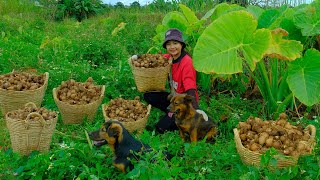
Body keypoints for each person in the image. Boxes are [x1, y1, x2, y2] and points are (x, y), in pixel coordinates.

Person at [143, 28, 202, 134]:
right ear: (166, 46)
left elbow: (190, 88)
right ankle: (171, 112)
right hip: (173, 98)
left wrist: (196, 110)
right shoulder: (169, 58)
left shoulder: (187, 62)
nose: (172, 47)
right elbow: (155, 58)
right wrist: (137, 57)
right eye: (169, 44)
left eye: (175, 43)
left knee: (160, 128)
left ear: (181, 45)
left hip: (185, 103)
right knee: (148, 95)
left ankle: (183, 117)